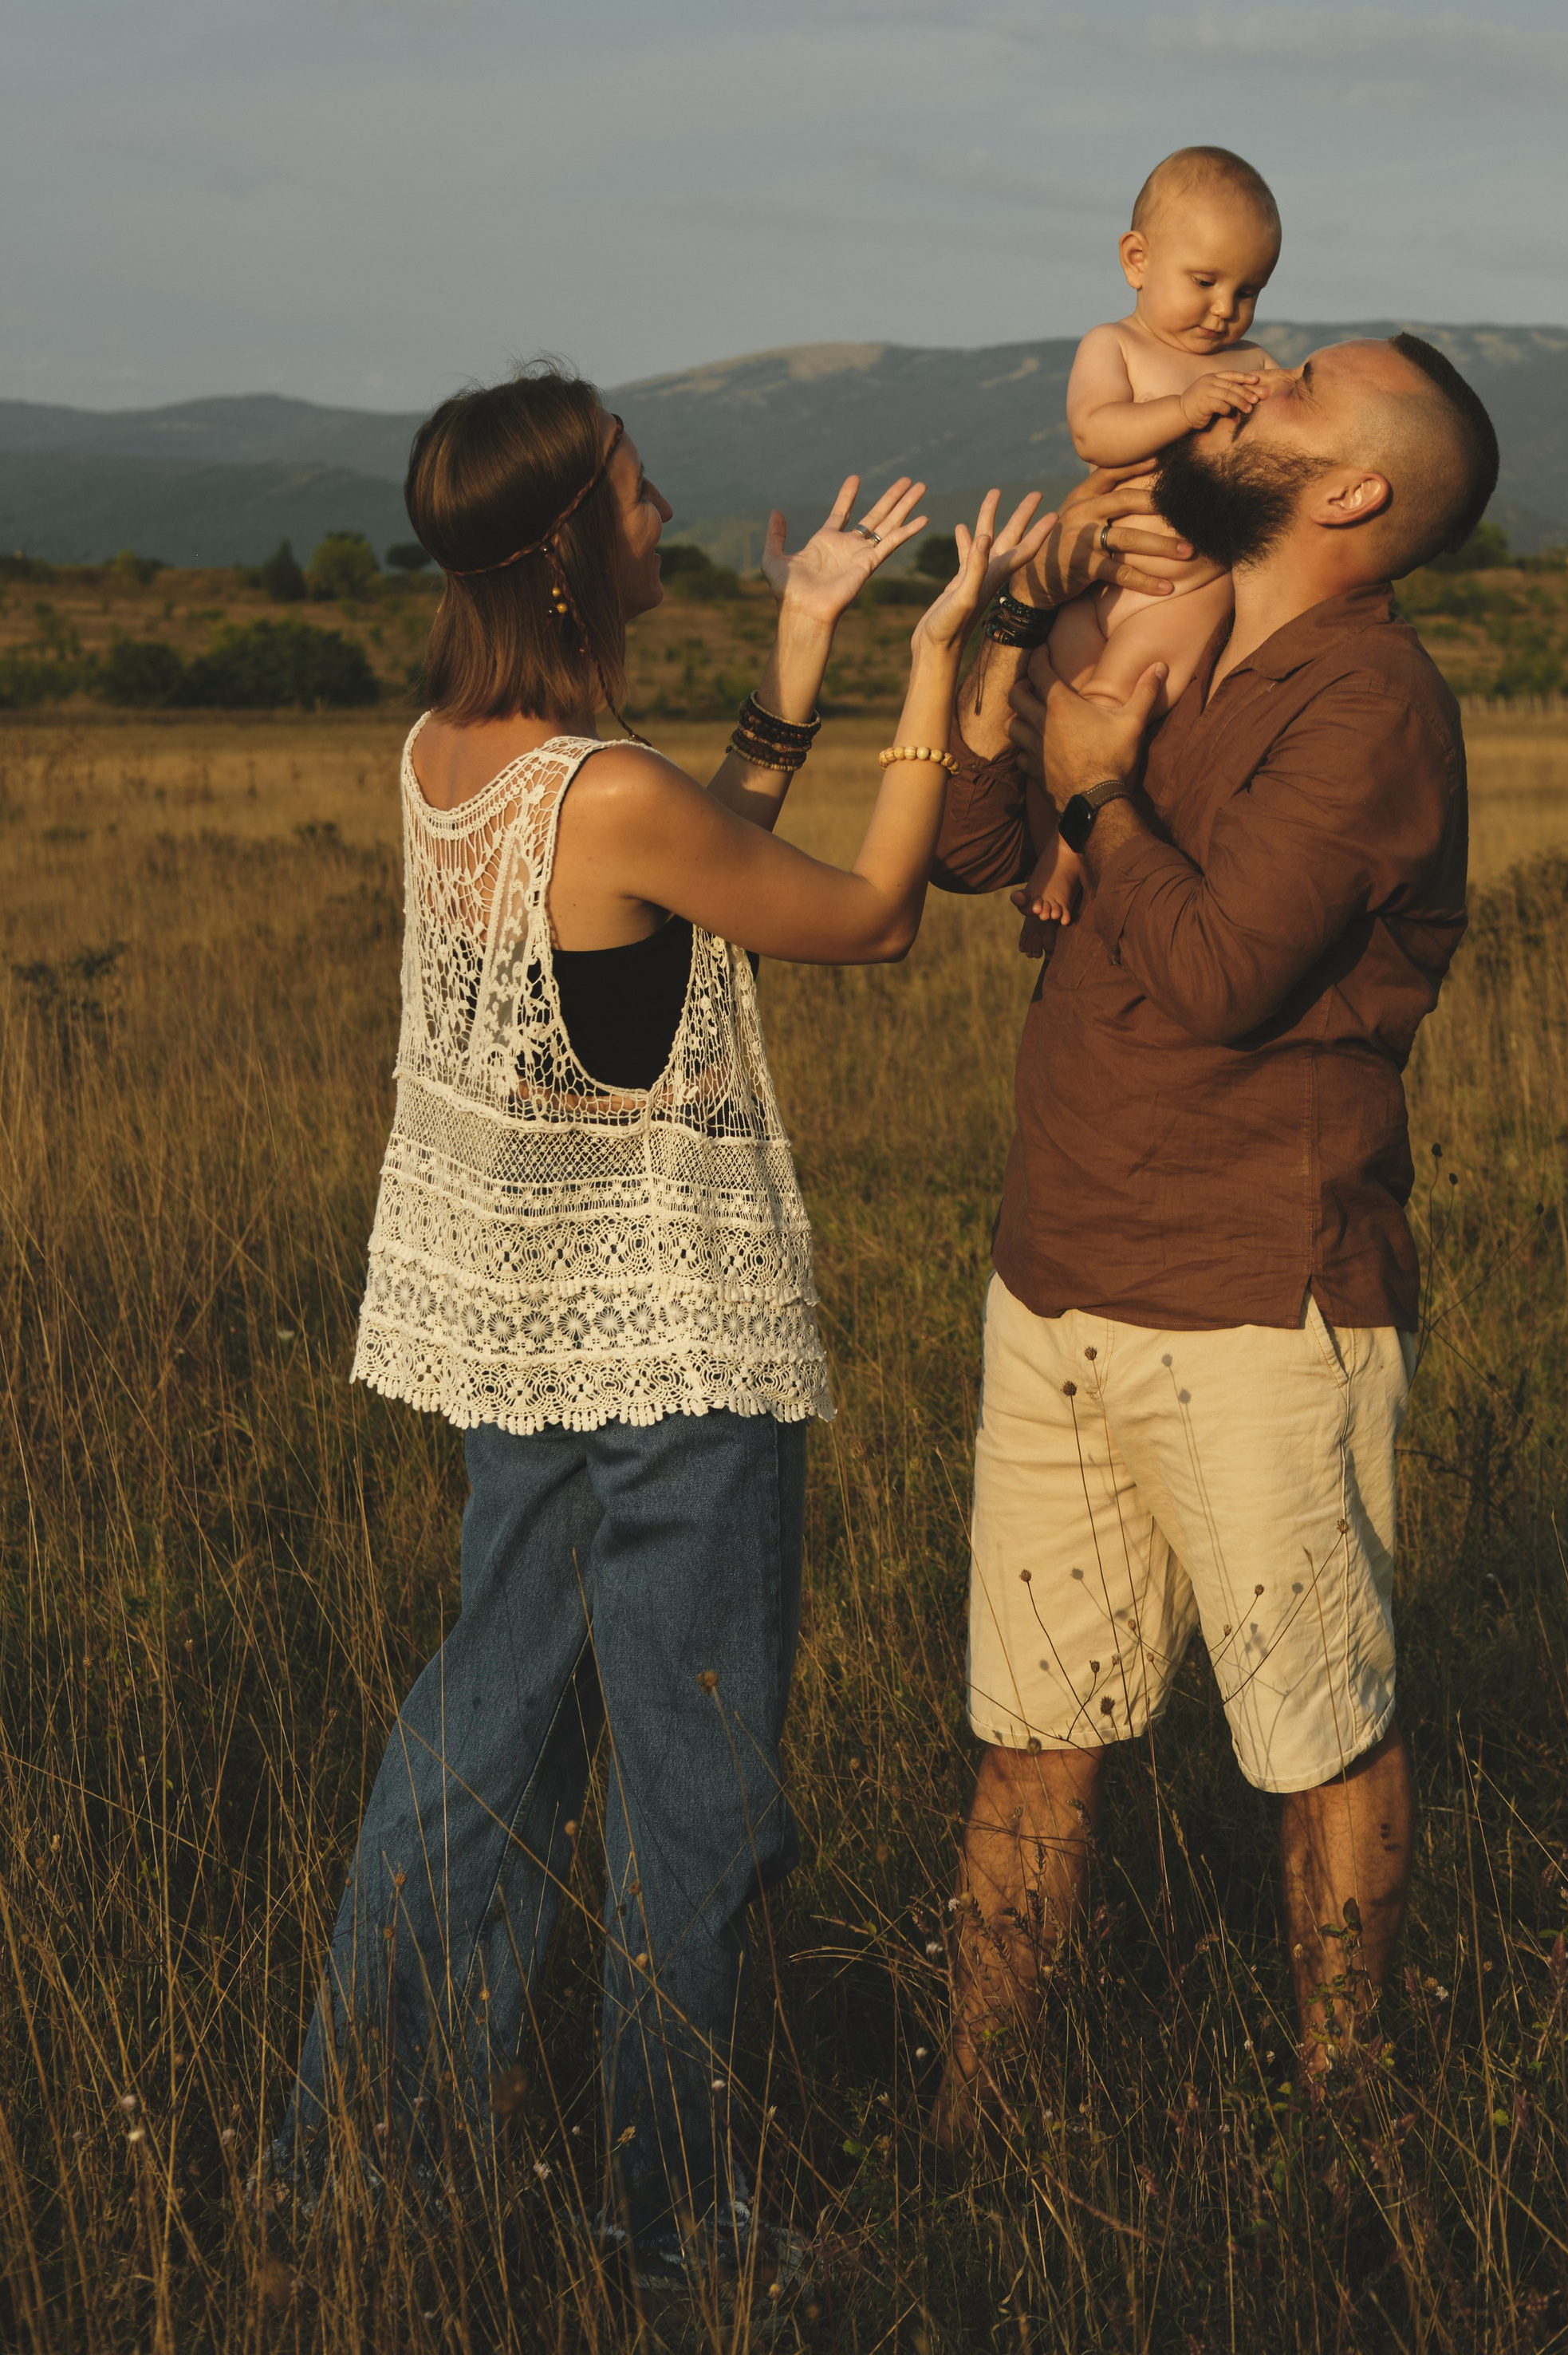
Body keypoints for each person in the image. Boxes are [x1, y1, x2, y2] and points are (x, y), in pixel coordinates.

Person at [274, 364, 1048, 2306]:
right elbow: (863, 919)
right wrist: (936, 663)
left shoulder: (452, 758)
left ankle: (361, 2177)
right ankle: (674, 2218)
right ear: (561, 542)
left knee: (474, 1745)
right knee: (695, 1803)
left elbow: (666, 898)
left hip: (523, 1340)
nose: (659, 506)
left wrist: (792, 666)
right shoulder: (599, 791)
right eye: (631, 488)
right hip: (673, 1353)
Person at [928, 332, 1497, 2138]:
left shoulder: (1368, 705)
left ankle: (1347, 2136)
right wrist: (1017, 643)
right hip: (1058, 1269)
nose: (1248, 386)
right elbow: (964, 846)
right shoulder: (1159, 611)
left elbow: (1229, 971)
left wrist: (1100, 791)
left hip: (1256, 1291)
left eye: (1305, 386)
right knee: (1031, 1735)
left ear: (1356, 494)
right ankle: (972, 2130)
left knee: (1313, 1731)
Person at [1017, 145, 1282, 931]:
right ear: (1137, 258)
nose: (1224, 309)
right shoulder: (1115, 346)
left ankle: (1063, 863)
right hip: (1097, 581)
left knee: (1108, 707)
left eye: (1248, 291)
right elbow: (1096, 435)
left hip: (1179, 592)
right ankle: (1039, 844)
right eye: (1204, 281)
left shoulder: (1255, 366)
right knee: (1040, 699)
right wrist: (1187, 409)